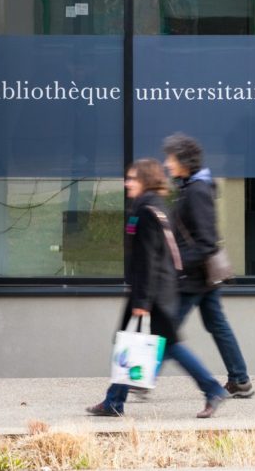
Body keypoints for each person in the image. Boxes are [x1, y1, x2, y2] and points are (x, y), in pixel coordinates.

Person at [87, 159, 228, 418]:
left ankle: (212, 389)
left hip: (151, 292)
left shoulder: (147, 211)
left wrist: (142, 300)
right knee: (128, 342)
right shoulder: (154, 206)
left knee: (168, 346)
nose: (126, 182)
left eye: (132, 178)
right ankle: (113, 401)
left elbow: (149, 258)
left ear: (145, 180)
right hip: (153, 289)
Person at [163, 132, 255, 398]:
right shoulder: (190, 187)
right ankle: (240, 380)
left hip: (194, 278)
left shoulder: (197, 191)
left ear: (183, 160)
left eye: (170, 158)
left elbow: (206, 243)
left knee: (165, 329)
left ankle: (138, 379)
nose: (167, 163)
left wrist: (178, 265)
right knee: (217, 324)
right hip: (201, 277)